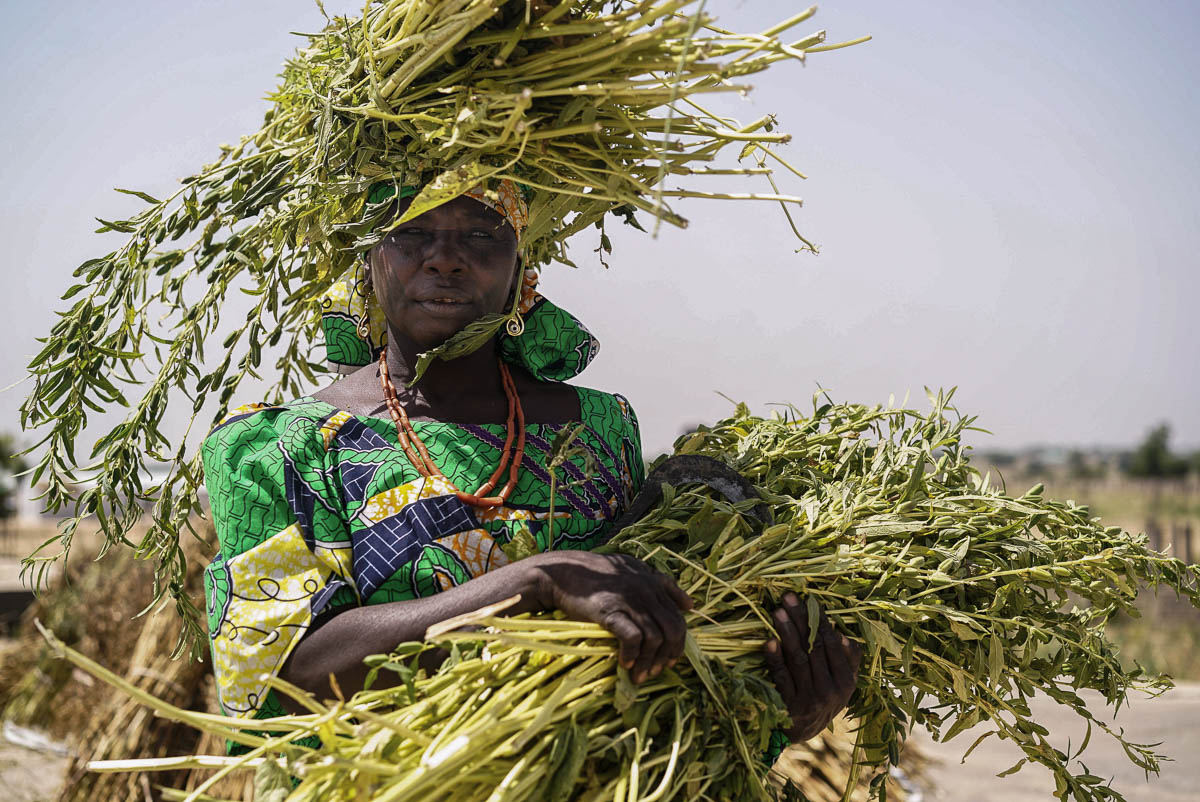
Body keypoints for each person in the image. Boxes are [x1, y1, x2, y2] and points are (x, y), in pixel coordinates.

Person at [201, 179, 861, 755]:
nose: (447, 259)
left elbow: (648, 650)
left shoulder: (599, 428)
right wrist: (538, 579)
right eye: (412, 233)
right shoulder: (279, 447)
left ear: (522, 266)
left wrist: (781, 714)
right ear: (368, 258)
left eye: (483, 235)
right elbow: (282, 677)